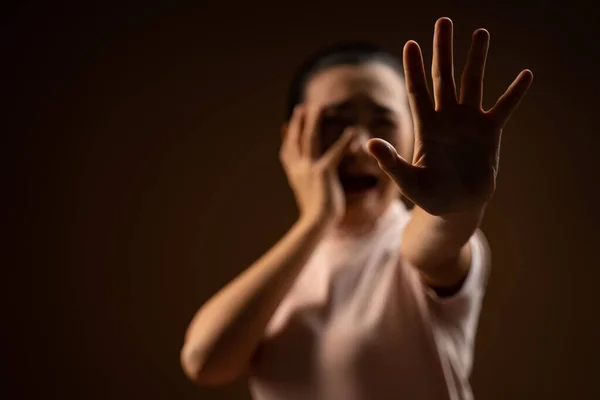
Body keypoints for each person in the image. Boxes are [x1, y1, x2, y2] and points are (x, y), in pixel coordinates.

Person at [180, 17, 533, 400]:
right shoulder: (287, 267)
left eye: (383, 121)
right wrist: (315, 221)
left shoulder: (411, 241)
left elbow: (435, 243)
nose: (361, 145)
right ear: (291, 139)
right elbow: (204, 360)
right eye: (335, 121)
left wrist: (455, 210)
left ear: (414, 133)